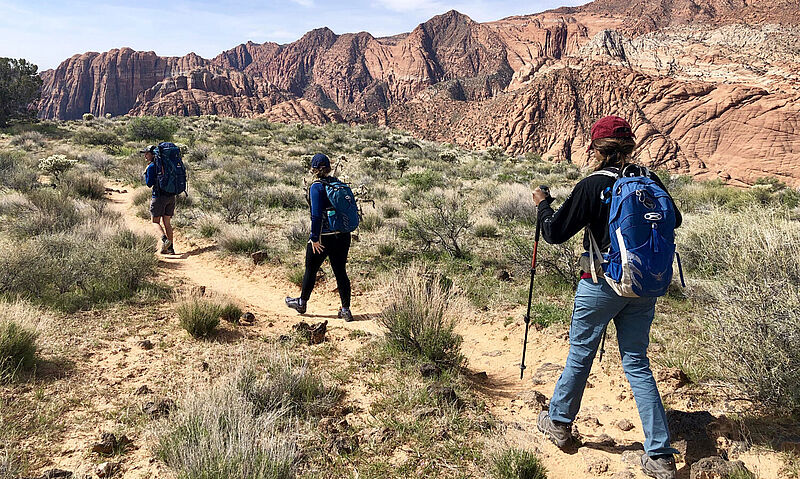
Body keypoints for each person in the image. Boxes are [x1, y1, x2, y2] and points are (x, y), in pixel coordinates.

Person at [532, 116, 682, 479]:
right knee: (637, 363)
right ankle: (659, 454)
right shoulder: (649, 180)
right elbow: (674, 219)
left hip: (599, 284)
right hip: (642, 287)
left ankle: (559, 422)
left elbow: (553, 233)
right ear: (630, 146)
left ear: (595, 149)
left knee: (580, 353)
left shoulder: (592, 185)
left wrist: (542, 204)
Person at [285, 153, 353, 321]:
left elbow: (316, 216)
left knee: (311, 268)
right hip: (343, 236)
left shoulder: (316, 186)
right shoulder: (337, 184)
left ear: (313, 169)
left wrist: (314, 238)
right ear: (329, 168)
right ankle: (345, 310)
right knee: (340, 271)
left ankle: (302, 303)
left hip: (324, 238)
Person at [142, 145, 176, 255]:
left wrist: (146, 172)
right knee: (167, 223)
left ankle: (165, 240)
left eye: (146, 153)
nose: (145, 155)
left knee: (155, 222)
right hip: (171, 196)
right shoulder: (168, 165)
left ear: (152, 154)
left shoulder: (152, 166)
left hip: (159, 197)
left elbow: (149, 184)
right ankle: (170, 249)